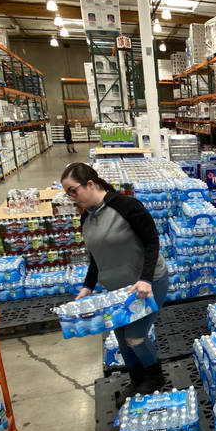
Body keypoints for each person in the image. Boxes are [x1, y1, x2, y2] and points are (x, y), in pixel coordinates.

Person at [61, 162, 169, 397]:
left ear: (90, 184)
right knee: (121, 337)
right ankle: (137, 380)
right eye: (67, 193)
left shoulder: (127, 206)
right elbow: (96, 257)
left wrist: (146, 280)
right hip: (118, 292)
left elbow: (152, 242)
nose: (71, 198)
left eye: (73, 191)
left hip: (147, 285)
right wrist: (88, 287)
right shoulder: (86, 220)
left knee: (135, 337)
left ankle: (155, 377)